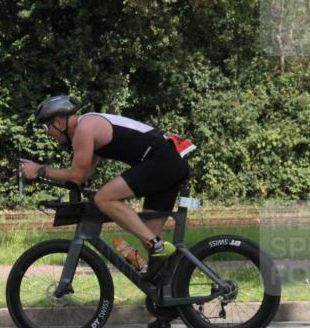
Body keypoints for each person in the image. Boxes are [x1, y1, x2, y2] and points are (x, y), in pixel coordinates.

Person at [19, 94, 196, 276]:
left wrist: (41, 170)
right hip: (166, 161)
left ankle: (158, 248)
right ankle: (166, 292)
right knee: (148, 234)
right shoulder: (88, 126)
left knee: (104, 198)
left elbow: (76, 174)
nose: (48, 133)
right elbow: (81, 175)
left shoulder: (84, 129)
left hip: (162, 161)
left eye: (47, 126)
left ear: (58, 122)